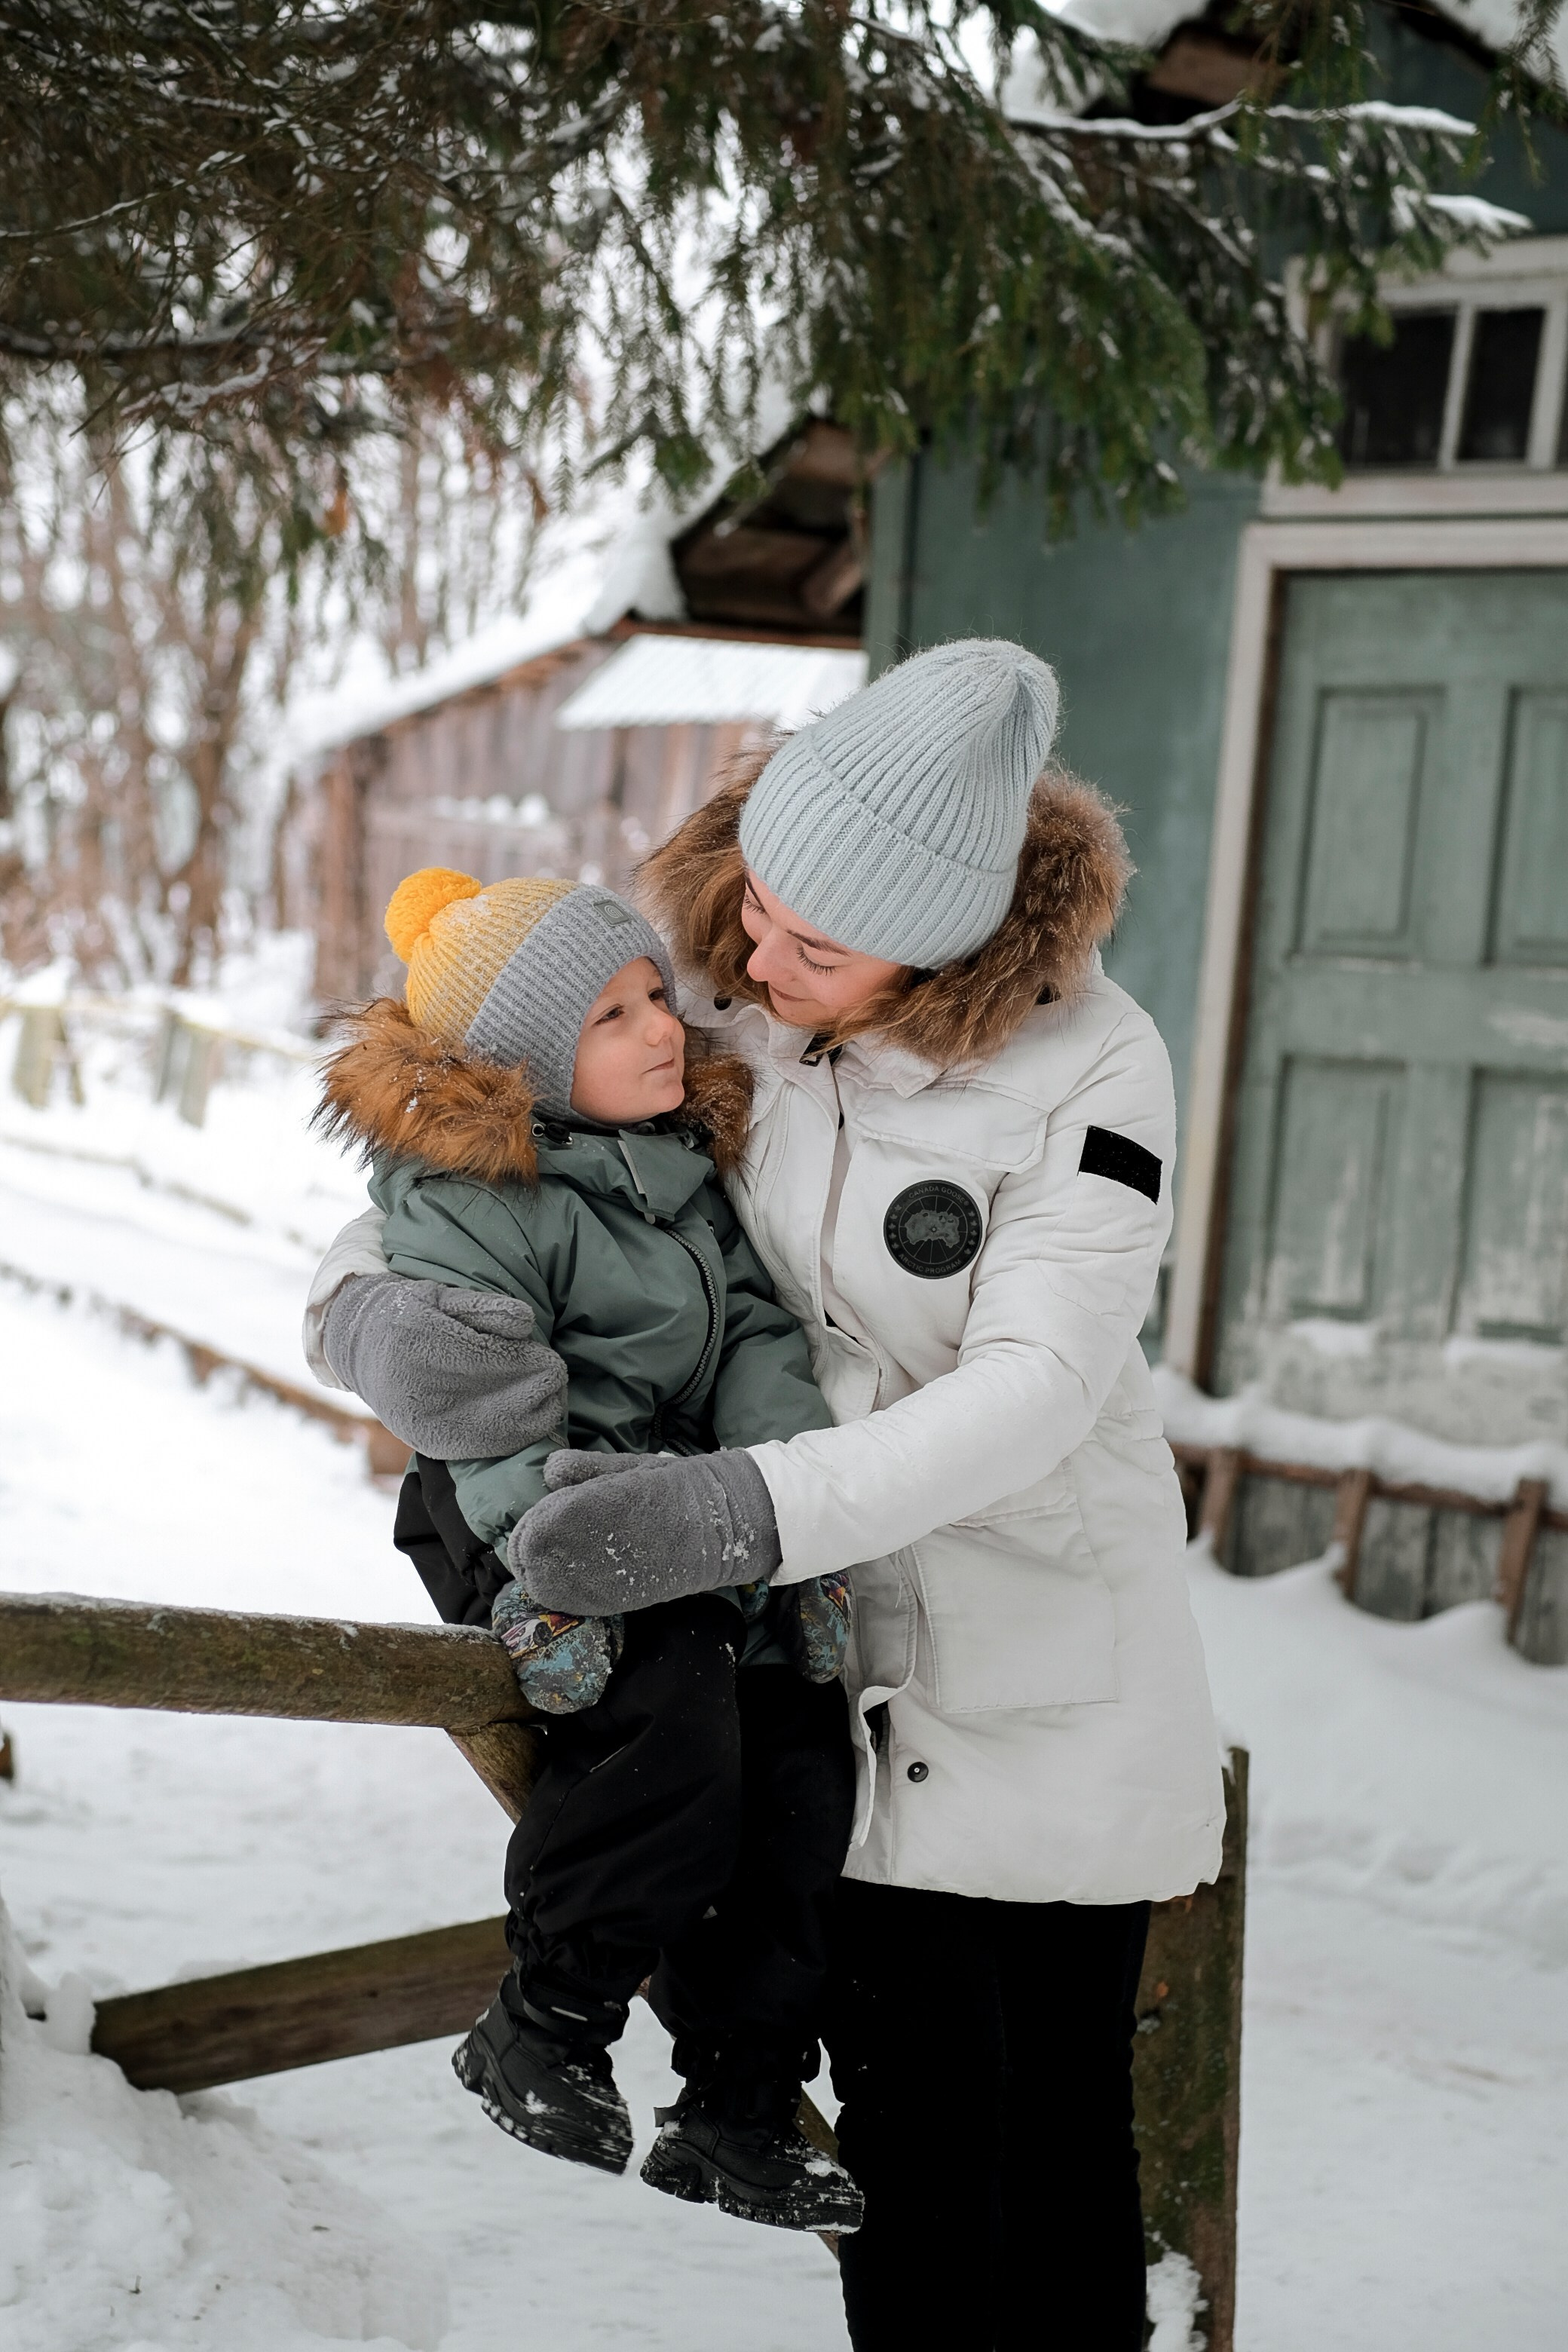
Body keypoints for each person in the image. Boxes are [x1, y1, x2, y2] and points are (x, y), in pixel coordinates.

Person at [308, 639, 1224, 2350]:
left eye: (816, 944)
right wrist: (370, 1307)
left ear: (947, 941)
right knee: (913, 2180)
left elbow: (1028, 1394)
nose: (742, 962)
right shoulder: (713, 986)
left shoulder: (1092, 1068)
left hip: (1025, 1658)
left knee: (1054, 2172)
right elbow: (474, 1158)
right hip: (812, 1659)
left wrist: (732, 1511)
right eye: (748, 907)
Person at [312, 865, 862, 2233]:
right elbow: (474, 1395)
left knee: (798, 1752)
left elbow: (754, 1341)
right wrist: (546, 1568)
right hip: (522, 1514)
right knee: (670, 1716)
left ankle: (739, 2101)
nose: (663, 1028)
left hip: (682, 1514)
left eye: (657, 997)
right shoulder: (471, 1194)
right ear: (526, 1060)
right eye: (613, 1015)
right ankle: (546, 2019)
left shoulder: (681, 1174)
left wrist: (796, 1512)